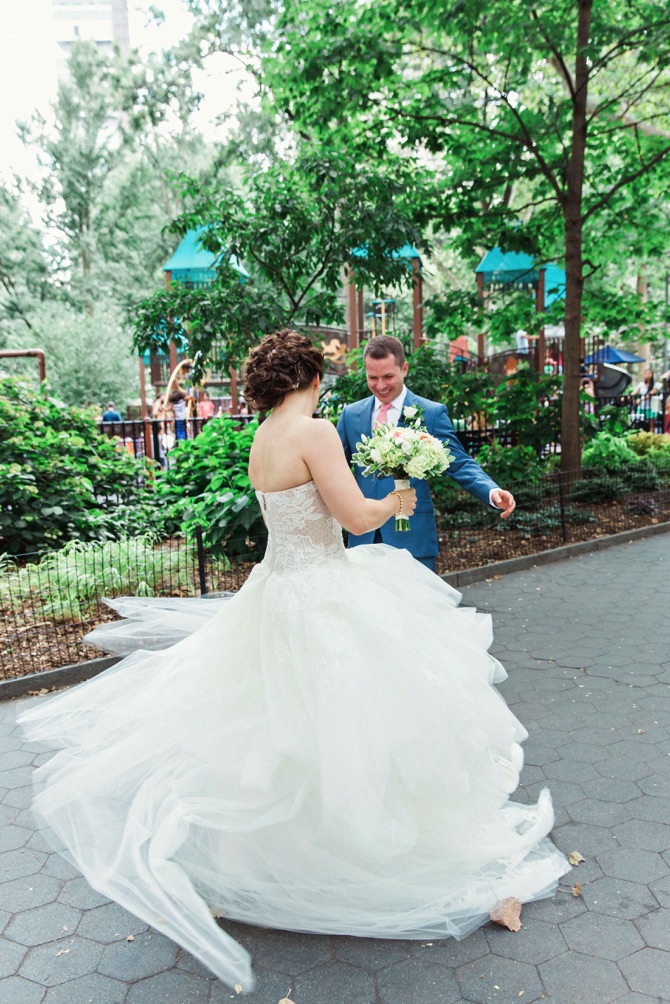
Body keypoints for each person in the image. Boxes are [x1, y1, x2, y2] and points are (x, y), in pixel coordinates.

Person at [19, 329, 569, 992]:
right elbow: (355, 518)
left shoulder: (263, 437)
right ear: (310, 377)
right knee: (355, 719)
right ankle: (363, 850)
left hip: (275, 591)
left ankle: (286, 854)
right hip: (323, 593)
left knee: (280, 723)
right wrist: (396, 502)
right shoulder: (313, 432)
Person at [337, 335, 515, 570]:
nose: (380, 385)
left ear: (404, 369)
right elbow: (333, 470)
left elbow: (459, 462)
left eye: (388, 376)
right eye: (373, 378)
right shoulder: (350, 415)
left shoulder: (431, 413)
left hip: (413, 539)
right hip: (365, 538)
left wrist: (491, 490)